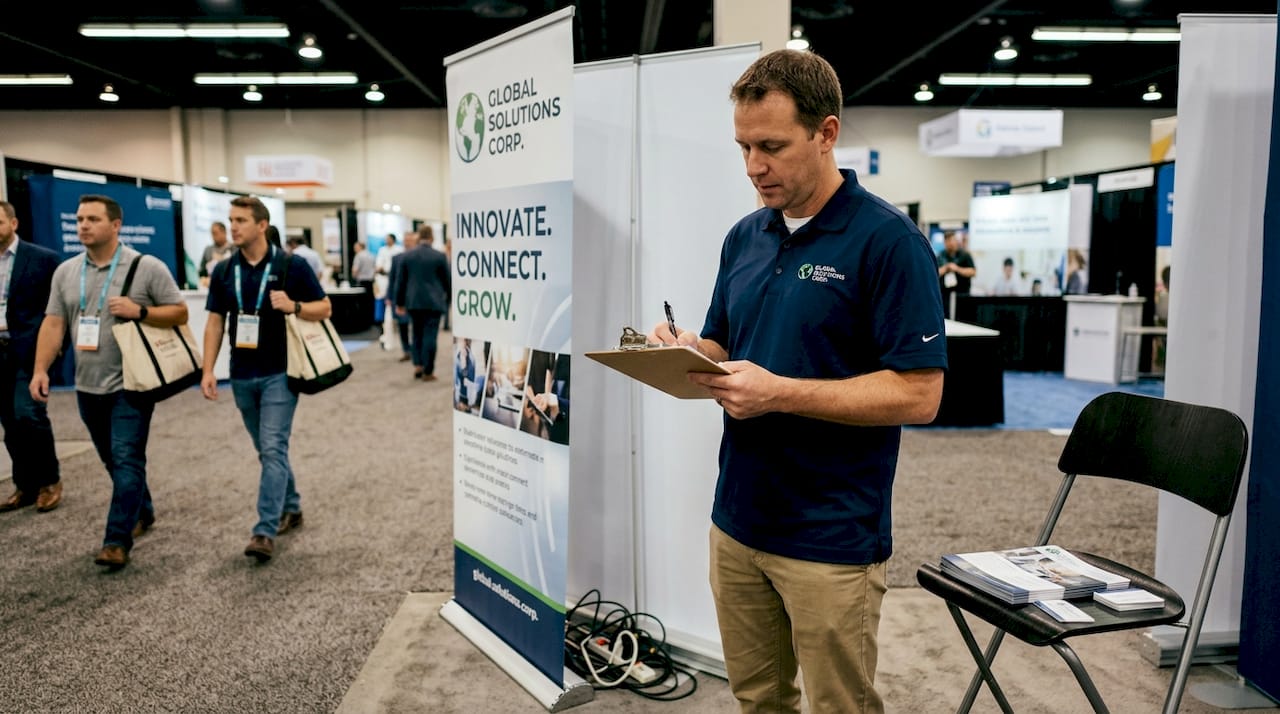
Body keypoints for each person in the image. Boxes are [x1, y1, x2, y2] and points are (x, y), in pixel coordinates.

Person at [647, 50, 945, 714]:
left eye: (773, 146)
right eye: (744, 146)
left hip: (831, 536)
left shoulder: (889, 243)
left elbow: (920, 393)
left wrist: (780, 392)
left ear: (826, 133)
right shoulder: (744, 236)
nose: (754, 166)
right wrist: (683, 351)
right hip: (737, 518)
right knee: (759, 700)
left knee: (840, 706)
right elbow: (725, 343)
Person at [30, 194, 188, 570]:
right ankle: (142, 508)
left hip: (131, 385)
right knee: (111, 460)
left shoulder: (145, 267)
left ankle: (116, 540)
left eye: (92, 219)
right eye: (80, 218)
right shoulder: (67, 272)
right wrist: (41, 369)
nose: (83, 225)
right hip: (87, 386)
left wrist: (141, 311)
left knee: (126, 457)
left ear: (115, 225)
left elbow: (180, 312)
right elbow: (53, 323)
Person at [201, 195, 330, 563]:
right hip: (241, 374)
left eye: (241, 220)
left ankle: (264, 530)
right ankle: (292, 505)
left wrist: (295, 306)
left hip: (281, 372)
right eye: (231, 220)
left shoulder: (292, 265)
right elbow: (214, 321)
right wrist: (209, 369)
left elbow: (325, 307)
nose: (234, 227)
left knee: (273, 447)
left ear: (261, 225)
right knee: (267, 450)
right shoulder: (225, 271)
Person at [0, 200, 63, 515]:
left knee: (29, 414)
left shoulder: (43, 260)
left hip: (29, 350)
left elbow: (57, 312)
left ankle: (49, 481)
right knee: (9, 422)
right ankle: (24, 484)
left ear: (13, 224)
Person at [393, 226, 450, 381]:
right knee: (430, 336)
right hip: (433, 302)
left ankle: (418, 364)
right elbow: (447, 281)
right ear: (432, 237)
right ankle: (428, 370)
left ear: (419, 237)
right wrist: (449, 299)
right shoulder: (439, 256)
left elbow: (401, 282)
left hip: (413, 302)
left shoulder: (407, 256)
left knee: (416, 333)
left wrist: (399, 303)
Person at [385, 231, 416, 363]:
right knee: (402, 325)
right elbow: (392, 279)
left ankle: (415, 351)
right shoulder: (397, 258)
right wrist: (389, 296)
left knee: (416, 327)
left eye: (410, 239)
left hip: (415, 299)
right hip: (401, 299)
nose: (407, 242)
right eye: (406, 239)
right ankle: (406, 350)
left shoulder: (417, 258)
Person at [937, 229, 976, 300]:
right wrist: (946, 268)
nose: (950, 243)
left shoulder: (965, 255)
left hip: (962, 294)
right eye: (948, 241)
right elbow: (935, 272)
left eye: (952, 240)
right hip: (944, 294)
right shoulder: (941, 256)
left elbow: (973, 272)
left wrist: (957, 269)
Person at [198, 221, 235, 288]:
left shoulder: (234, 249)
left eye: (215, 233)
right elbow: (202, 272)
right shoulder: (208, 250)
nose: (213, 236)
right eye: (212, 233)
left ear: (224, 232)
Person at [351, 240, 376, 328]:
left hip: (362, 282)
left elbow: (355, 270)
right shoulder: (371, 255)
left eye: (356, 247)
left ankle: (363, 323)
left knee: (362, 304)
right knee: (370, 302)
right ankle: (371, 321)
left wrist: (354, 278)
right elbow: (375, 268)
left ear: (360, 247)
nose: (354, 249)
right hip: (370, 282)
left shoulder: (359, 256)